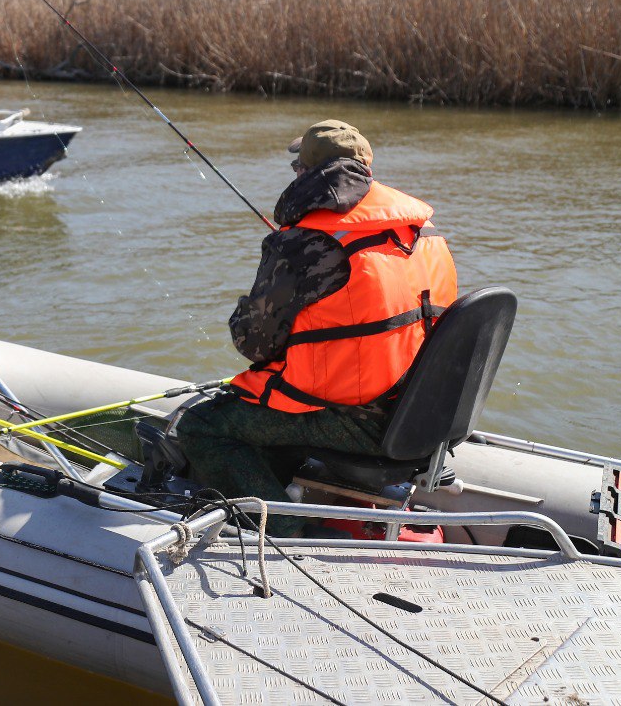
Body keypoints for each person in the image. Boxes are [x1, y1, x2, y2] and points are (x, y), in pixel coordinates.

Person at [176, 120, 458, 536]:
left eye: (297, 166)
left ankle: (284, 531)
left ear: (307, 173)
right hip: (418, 412)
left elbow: (252, 343)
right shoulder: (420, 229)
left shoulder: (305, 242)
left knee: (202, 425)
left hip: (354, 419)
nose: (293, 173)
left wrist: (252, 302)